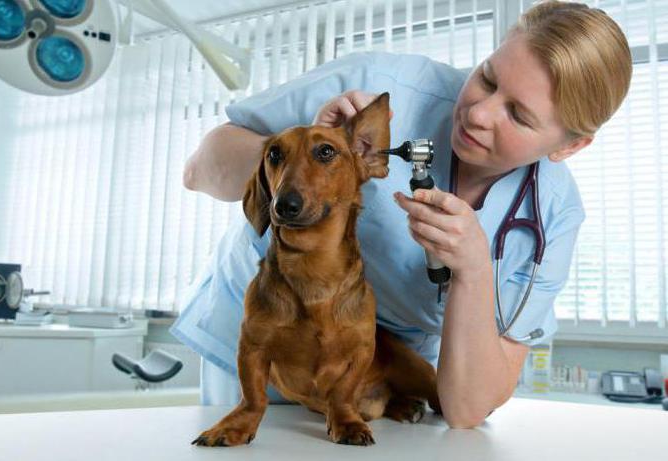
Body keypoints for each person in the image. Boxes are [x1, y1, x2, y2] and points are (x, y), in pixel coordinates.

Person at [170, 0, 632, 428]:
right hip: (264, 347)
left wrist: (473, 270)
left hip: (378, 378)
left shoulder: (551, 219)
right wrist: (307, 161)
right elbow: (199, 170)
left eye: (518, 115)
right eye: (488, 79)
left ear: (570, 145)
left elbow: (468, 408)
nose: (479, 114)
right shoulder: (378, 88)